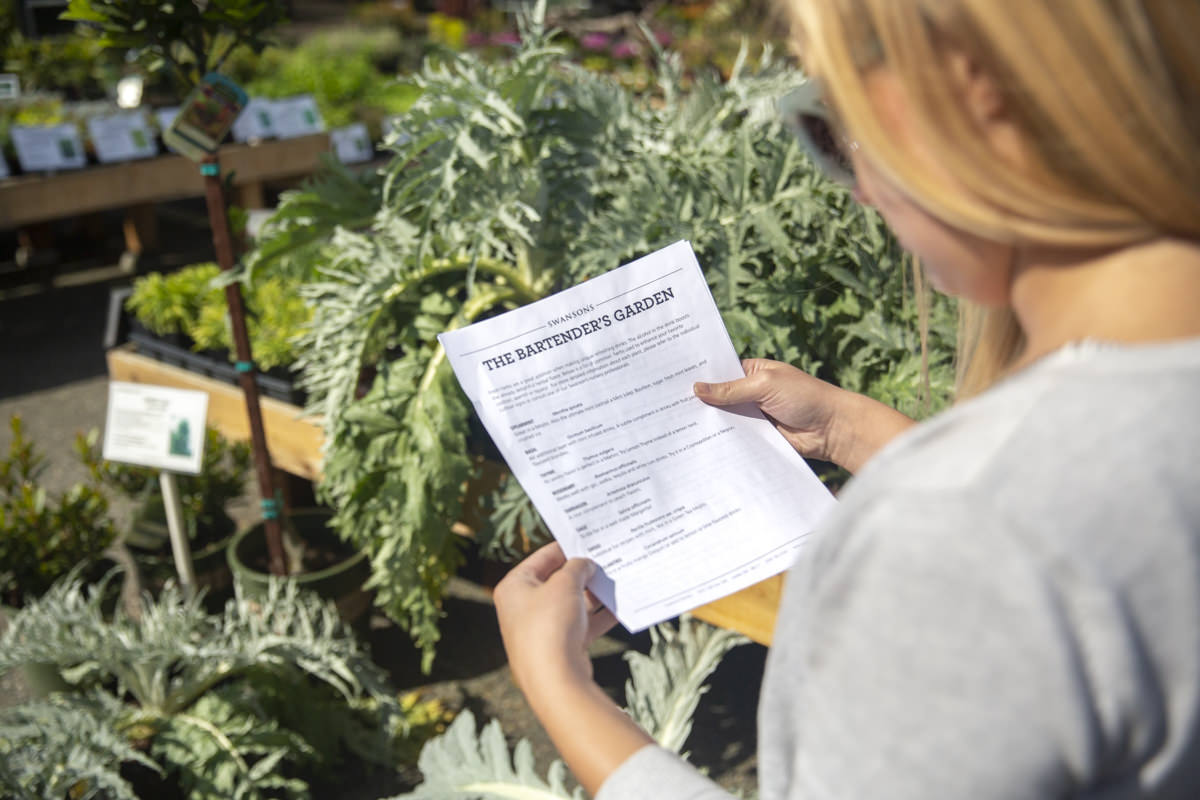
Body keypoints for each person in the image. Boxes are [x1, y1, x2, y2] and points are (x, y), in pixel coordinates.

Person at [493, 0, 1200, 796]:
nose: (857, 186)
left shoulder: (949, 531)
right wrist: (848, 428)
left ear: (971, 93)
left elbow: (1006, 535)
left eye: (836, 123)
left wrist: (559, 690)